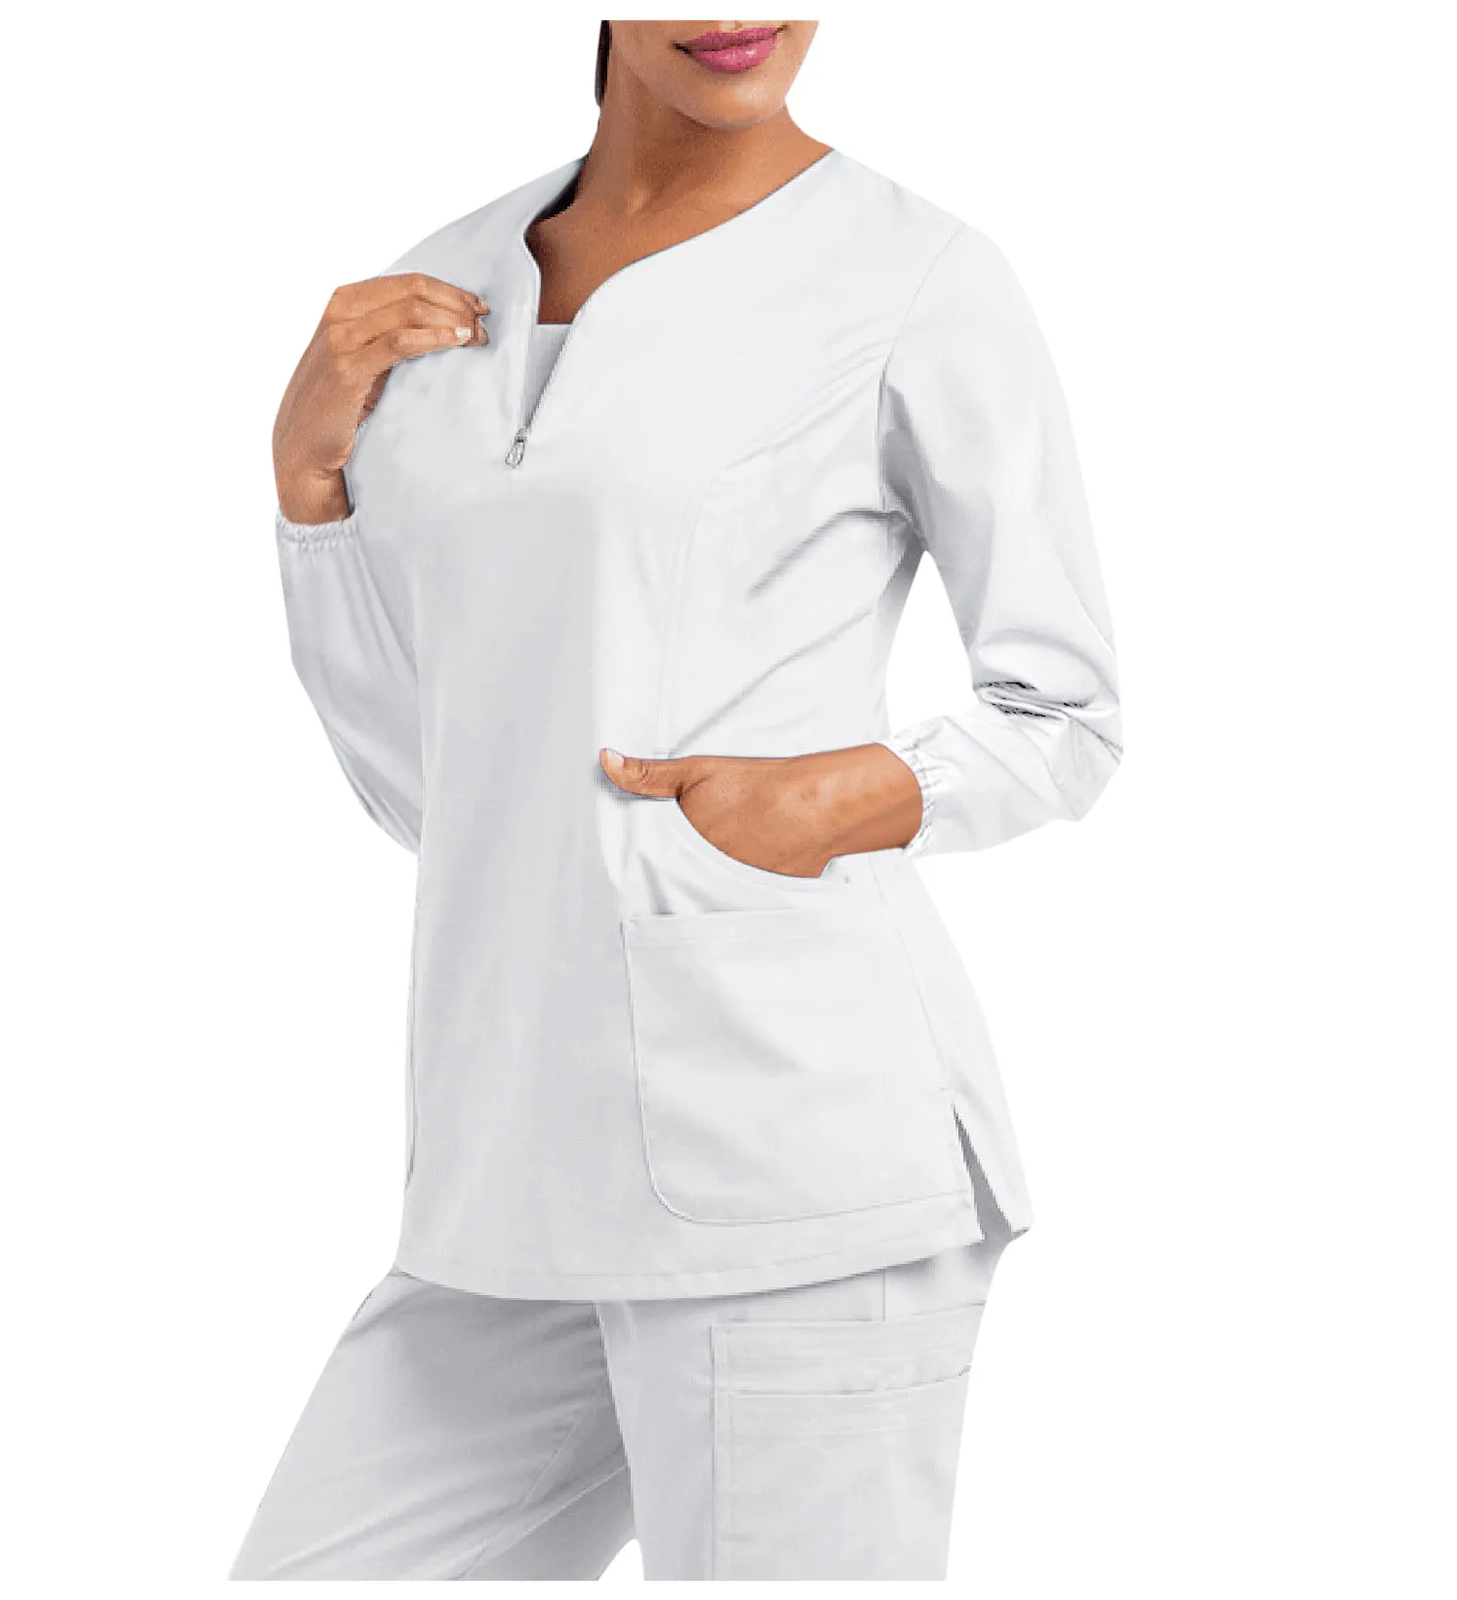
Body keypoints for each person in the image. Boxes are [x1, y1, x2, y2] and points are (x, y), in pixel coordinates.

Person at [231, 18, 1121, 1581]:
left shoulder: (913, 276)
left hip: (789, 1155)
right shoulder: (437, 288)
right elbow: (435, 791)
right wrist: (312, 497)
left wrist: (854, 791)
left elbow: (1068, 714)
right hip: (506, 1178)